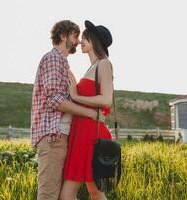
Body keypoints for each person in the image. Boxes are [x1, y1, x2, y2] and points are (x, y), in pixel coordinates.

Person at [31, 20, 101, 200]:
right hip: (53, 136)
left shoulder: (62, 63)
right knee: (48, 195)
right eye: (75, 36)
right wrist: (90, 113)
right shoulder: (54, 59)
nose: (78, 41)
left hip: (60, 136)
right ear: (63, 36)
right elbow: (55, 100)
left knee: (59, 194)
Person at [60, 20, 114, 200]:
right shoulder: (91, 68)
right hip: (82, 132)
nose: (81, 41)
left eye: (85, 38)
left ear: (95, 41)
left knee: (87, 193)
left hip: (92, 134)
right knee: (94, 193)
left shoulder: (104, 64)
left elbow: (106, 100)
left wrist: (76, 96)